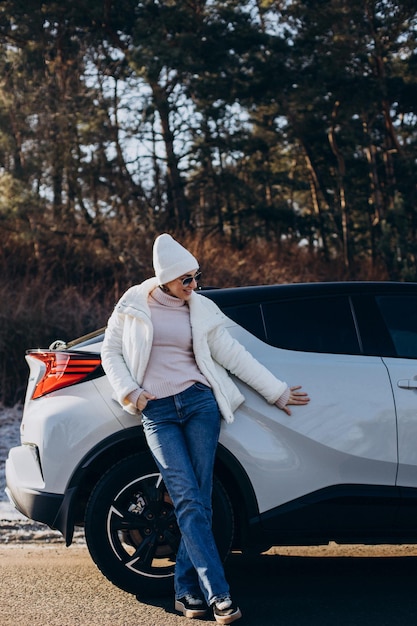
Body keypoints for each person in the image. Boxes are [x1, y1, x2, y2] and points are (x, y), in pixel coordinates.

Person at [101, 233, 310, 624]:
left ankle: (185, 590)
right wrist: (132, 392)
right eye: (187, 280)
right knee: (187, 499)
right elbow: (110, 352)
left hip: (200, 405)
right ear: (166, 279)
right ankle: (219, 594)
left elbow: (233, 356)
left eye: (197, 277)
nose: (195, 286)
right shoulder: (132, 304)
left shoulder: (199, 308)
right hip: (157, 412)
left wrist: (277, 392)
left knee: (199, 501)